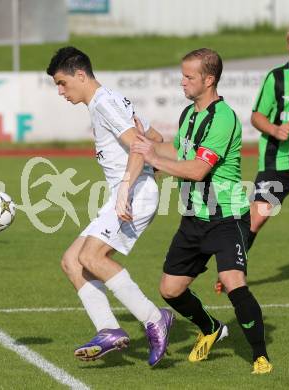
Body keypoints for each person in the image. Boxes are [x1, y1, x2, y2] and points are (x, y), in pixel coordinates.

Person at [132, 48, 272, 374]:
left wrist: (154, 159)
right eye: (182, 75)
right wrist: (145, 145)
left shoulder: (223, 118)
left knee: (232, 280)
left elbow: (197, 170)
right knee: (169, 289)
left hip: (226, 218)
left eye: (188, 76)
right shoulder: (188, 114)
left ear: (208, 80)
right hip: (194, 219)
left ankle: (260, 356)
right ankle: (211, 328)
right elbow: (176, 151)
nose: (182, 82)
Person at [45, 46, 174, 367]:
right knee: (72, 261)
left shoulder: (104, 103)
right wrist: (147, 173)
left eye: (62, 83)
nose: (60, 91)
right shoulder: (111, 101)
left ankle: (154, 318)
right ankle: (108, 330)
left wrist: (130, 187)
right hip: (128, 192)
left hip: (131, 195)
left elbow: (139, 144)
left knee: (91, 256)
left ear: (80, 74)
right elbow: (152, 136)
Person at [249, 21, 289, 249]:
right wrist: (275, 130)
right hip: (278, 162)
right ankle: (232, 269)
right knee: (257, 217)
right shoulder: (276, 78)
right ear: (288, 46)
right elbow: (257, 116)